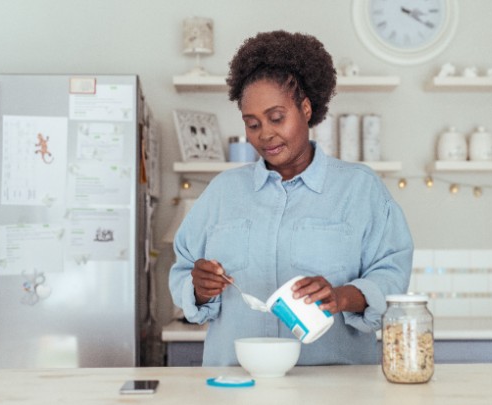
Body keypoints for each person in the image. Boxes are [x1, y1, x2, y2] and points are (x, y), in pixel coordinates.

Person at [169, 30, 413, 366]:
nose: (265, 134)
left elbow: (391, 275)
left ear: (306, 108)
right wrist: (199, 287)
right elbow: (183, 270)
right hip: (240, 385)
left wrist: (342, 297)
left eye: (276, 118)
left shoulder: (360, 189)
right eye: (252, 124)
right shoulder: (223, 193)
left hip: (335, 388)